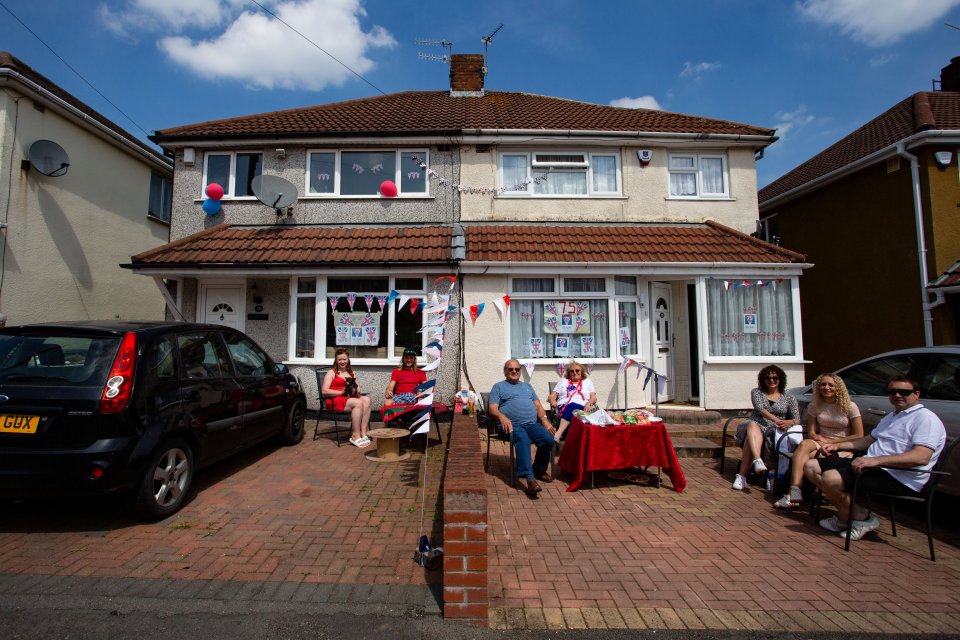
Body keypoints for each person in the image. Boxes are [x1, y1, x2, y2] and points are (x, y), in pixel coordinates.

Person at [803, 375, 946, 541]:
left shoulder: (925, 418)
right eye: (893, 391)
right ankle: (851, 515)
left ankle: (860, 517)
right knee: (811, 466)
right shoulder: (893, 416)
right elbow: (867, 440)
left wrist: (874, 461)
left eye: (904, 392)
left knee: (830, 478)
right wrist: (838, 446)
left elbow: (921, 457)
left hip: (899, 475)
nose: (897, 395)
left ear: (917, 394)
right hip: (872, 466)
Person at [773, 373, 863, 509]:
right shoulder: (815, 405)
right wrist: (818, 438)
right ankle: (795, 490)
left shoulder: (850, 406)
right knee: (804, 444)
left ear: (838, 388)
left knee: (805, 458)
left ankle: (792, 495)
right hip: (821, 441)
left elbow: (859, 435)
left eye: (831, 385)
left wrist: (833, 444)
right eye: (823, 384)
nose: (826, 387)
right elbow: (811, 432)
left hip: (842, 446)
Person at [488, 359, 556, 499]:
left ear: (520, 371)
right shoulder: (498, 387)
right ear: (505, 371)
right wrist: (502, 417)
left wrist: (545, 422)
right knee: (523, 439)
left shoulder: (527, 387)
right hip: (510, 425)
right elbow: (492, 409)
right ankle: (530, 479)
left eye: (517, 369)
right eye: (510, 369)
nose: (514, 372)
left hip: (531, 424)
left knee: (548, 439)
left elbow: (538, 406)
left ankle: (539, 469)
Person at [732, 364, 800, 491]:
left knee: (749, 441)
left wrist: (788, 422)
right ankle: (758, 461)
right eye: (767, 378)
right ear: (763, 380)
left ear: (781, 379)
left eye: (775, 377)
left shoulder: (789, 397)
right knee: (752, 425)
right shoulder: (757, 392)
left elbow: (796, 418)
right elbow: (760, 409)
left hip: (776, 428)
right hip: (757, 422)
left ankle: (742, 476)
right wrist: (776, 419)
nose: (771, 380)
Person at [321, 347, 373, 448]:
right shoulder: (332, 373)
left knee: (366, 400)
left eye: (344, 359)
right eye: (340, 359)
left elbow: (358, 387)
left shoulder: (350, 373)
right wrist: (340, 392)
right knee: (358, 403)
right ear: (336, 360)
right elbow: (324, 391)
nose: (342, 361)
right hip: (334, 400)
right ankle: (355, 435)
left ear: (348, 360)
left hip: (348, 398)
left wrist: (357, 389)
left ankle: (363, 432)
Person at [547, 360, 597, 442]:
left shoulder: (587, 382)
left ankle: (558, 434)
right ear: (569, 373)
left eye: (577, 370)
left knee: (573, 405)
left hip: (583, 408)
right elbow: (551, 396)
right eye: (572, 371)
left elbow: (593, 397)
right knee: (572, 405)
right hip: (563, 408)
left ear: (582, 372)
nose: (575, 373)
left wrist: (589, 403)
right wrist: (552, 400)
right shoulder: (563, 381)